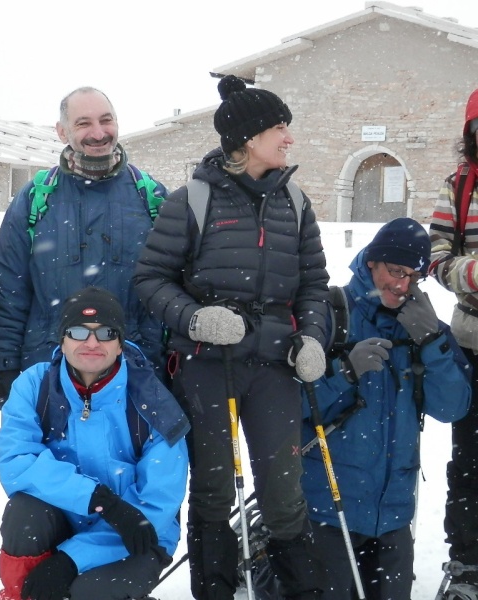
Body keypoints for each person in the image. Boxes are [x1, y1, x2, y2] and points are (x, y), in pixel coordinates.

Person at [133, 74, 330, 600]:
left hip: (276, 368)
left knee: (285, 495)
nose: (289, 138)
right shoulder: (191, 201)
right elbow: (149, 280)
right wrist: (195, 319)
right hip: (207, 365)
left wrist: (312, 337)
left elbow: (313, 284)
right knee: (214, 494)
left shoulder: (296, 202)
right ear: (247, 138)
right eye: (279, 128)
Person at [301, 218, 471, 599]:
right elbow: (288, 407)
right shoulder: (329, 315)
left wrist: (431, 342)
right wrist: (343, 373)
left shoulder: (424, 329)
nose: (401, 285)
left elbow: (453, 408)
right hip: (329, 509)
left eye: (413, 276)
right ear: (372, 262)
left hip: (393, 512)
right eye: (395, 271)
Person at [0, 286, 190, 600]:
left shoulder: (153, 400)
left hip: (134, 533)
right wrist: (97, 499)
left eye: (106, 333)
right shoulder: (34, 385)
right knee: (24, 513)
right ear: (62, 338)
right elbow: (17, 460)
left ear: (120, 343)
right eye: (78, 331)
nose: (91, 343)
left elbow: (160, 500)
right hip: (64, 517)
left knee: (87, 593)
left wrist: (73, 558)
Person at [0, 86, 168, 410]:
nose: (98, 133)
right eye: (84, 123)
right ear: (62, 131)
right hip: (50, 379)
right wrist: (3, 364)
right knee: (49, 463)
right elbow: (8, 293)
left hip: (136, 381)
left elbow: (172, 288)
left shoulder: (150, 197)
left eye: (106, 120)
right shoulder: (36, 199)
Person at [429, 86, 478, 598]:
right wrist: (471, 272)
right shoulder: (460, 187)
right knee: (470, 464)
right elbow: (437, 253)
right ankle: (467, 563)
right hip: (474, 342)